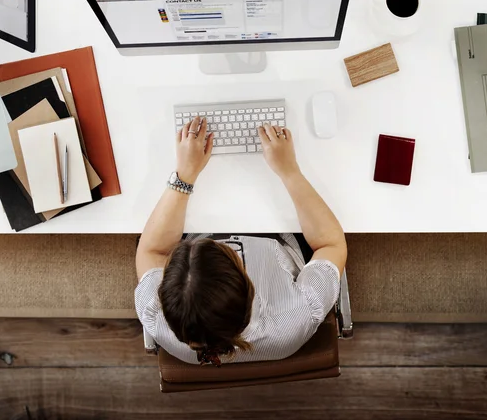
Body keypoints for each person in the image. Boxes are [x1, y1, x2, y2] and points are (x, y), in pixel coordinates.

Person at [135, 116, 347, 366]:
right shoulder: (301, 312)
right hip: (274, 236)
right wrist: (289, 171)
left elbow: (153, 250)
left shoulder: (153, 313)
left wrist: (185, 175)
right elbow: (331, 244)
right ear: (250, 288)